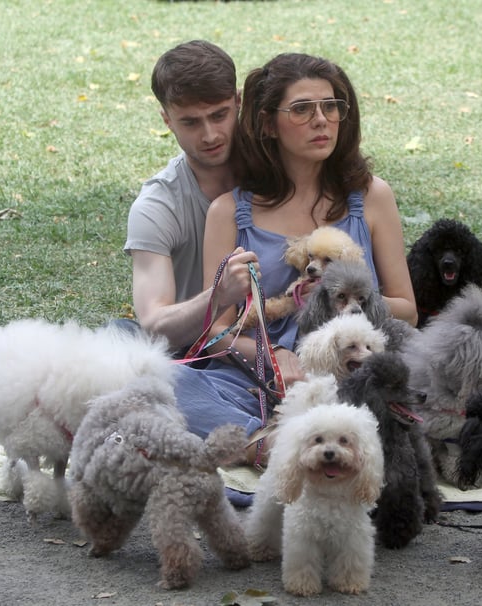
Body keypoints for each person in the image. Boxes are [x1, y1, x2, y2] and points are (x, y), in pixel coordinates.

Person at [171, 52, 417, 463]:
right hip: (260, 381)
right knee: (164, 380)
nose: (321, 120)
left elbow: (406, 309)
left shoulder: (372, 198)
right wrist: (275, 357)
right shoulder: (230, 213)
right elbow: (220, 330)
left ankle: (302, 440)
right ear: (268, 123)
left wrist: (344, 308)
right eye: (302, 109)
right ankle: (270, 443)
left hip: (356, 367)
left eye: (331, 106)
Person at [122, 40, 257, 352]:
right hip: (192, 352)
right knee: (122, 337)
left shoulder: (276, 171)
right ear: (167, 121)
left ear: (237, 102)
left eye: (219, 115)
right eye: (191, 122)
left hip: (281, 336)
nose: (210, 135)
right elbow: (154, 325)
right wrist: (219, 295)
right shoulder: (157, 206)